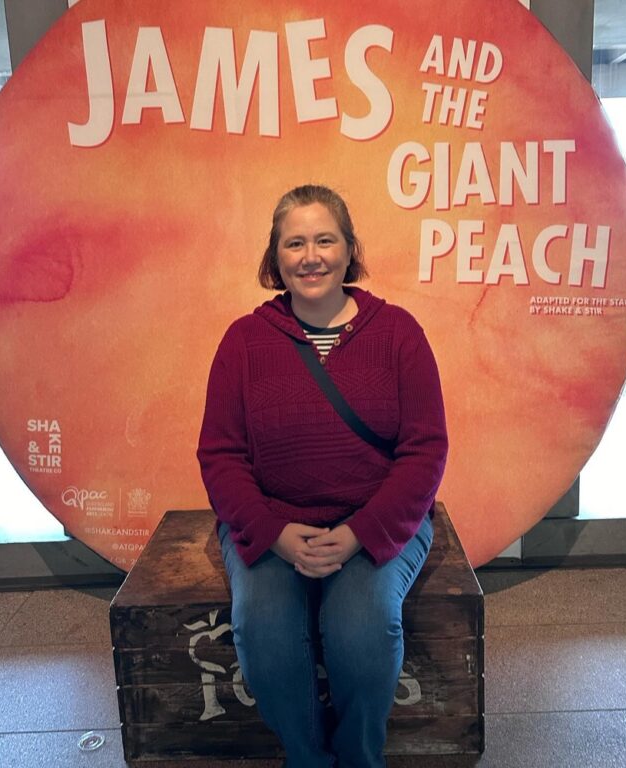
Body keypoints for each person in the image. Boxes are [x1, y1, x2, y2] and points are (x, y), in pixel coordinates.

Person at [197, 184, 448, 768]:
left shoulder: (399, 334)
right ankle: (307, 760)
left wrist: (362, 531)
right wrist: (274, 533)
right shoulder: (243, 342)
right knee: (264, 637)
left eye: (325, 239)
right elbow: (221, 456)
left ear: (349, 248)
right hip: (274, 526)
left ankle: (361, 759)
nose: (311, 256)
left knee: (362, 635)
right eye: (295, 243)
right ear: (275, 258)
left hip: (376, 525)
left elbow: (425, 451)